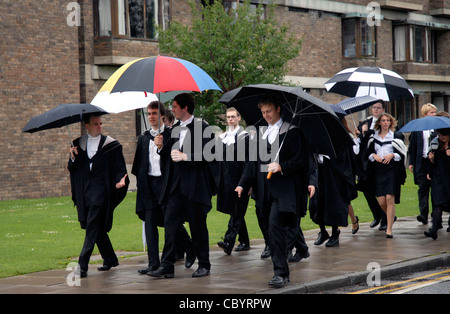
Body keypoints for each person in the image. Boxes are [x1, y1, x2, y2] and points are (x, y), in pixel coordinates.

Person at [236, 95, 309, 287]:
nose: (266, 115)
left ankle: (280, 273)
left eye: (269, 111)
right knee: (270, 233)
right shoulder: (260, 134)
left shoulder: (292, 132)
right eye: (263, 112)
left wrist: (282, 166)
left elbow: (302, 161)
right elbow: (252, 163)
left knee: (275, 229)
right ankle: (283, 268)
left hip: (283, 191)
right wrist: (242, 184)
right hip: (263, 191)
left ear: (278, 109)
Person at [149, 93, 217, 278]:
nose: (172, 109)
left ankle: (204, 264)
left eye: (175, 106)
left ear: (185, 108)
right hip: (175, 187)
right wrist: (161, 146)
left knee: (197, 226)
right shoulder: (174, 129)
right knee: (170, 225)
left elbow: (210, 155)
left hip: (194, 187)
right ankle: (167, 265)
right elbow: (168, 157)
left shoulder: (203, 127)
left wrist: (186, 156)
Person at [132, 101, 195, 275]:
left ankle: (189, 248)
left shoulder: (172, 135)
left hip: (167, 185)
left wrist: (162, 146)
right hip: (149, 186)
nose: (151, 116)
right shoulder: (143, 138)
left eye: (154, 113)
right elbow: (139, 165)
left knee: (170, 222)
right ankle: (153, 263)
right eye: (149, 113)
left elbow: (174, 162)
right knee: (150, 223)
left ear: (162, 115)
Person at [68, 114, 129, 278]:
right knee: (94, 227)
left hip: (101, 193)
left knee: (92, 227)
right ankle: (109, 258)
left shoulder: (111, 145)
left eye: (101, 124)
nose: (99, 127)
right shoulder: (77, 144)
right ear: (86, 125)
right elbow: (73, 169)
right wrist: (73, 158)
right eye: (96, 124)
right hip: (84, 193)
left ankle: (82, 265)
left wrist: (120, 180)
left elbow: (119, 168)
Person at [365, 113, 407, 238]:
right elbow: (367, 153)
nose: (385, 122)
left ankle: (389, 229)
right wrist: (373, 156)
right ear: (379, 123)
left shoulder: (396, 136)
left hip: (392, 170)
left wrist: (392, 155)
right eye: (383, 120)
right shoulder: (374, 137)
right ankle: (391, 216)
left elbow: (403, 153)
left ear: (391, 122)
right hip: (378, 170)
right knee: (381, 200)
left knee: (390, 198)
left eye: (388, 120)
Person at [216, 107, 251, 254]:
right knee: (235, 211)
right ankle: (245, 241)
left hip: (241, 180)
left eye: (233, 117)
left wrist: (246, 183)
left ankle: (228, 242)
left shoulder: (245, 137)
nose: (230, 119)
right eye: (228, 117)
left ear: (239, 118)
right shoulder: (222, 137)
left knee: (236, 212)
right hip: (227, 181)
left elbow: (248, 163)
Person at [356, 101, 387, 230]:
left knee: (380, 191)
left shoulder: (385, 122)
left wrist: (368, 132)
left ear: (383, 109)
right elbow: (361, 143)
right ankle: (377, 215)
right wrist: (360, 134)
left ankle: (386, 217)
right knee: (366, 190)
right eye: (374, 107)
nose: (375, 110)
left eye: (378, 108)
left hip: (380, 162)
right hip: (366, 163)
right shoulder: (365, 123)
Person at [407, 103, 437, 225]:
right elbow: (412, 147)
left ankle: (436, 214)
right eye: (431, 112)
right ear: (425, 114)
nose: (434, 115)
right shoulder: (417, 129)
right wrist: (411, 163)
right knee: (422, 189)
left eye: (435, 112)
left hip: (434, 163)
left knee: (435, 190)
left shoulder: (437, 129)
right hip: (421, 162)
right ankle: (423, 214)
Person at [424, 127, 450, 240]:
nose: (442, 137)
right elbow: (431, 165)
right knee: (437, 203)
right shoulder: (434, 145)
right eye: (440, 135)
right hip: (438, 178)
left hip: (449, 179)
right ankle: (434, 229)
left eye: (444, 134)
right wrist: (431, 159)